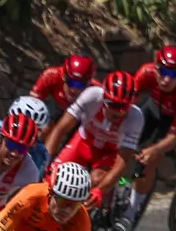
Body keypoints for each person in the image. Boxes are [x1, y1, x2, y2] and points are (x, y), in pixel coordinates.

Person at [43, 70, 144, 214]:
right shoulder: (91, 96)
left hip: (109, 153)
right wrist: (45, 162)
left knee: (94, 182)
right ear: (103, 98)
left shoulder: (136, 118)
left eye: (123, 107)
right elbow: (60, 129)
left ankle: (77, 221)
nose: (118, 112)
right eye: (113, 104)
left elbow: (122, 161)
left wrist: (100, 190)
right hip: (84, 143)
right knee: (51, 179)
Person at [126, 45, 176, 229]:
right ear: (155, 67)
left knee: (151, 157)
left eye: (173, 74)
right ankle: (122, 182)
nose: (166, 79)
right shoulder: (146, 72)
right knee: (126, 140)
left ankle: (131, 211)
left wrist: (155, 149)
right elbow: (127, 104)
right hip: (154, 107)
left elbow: (173, 137)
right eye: (162, 71)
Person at [28, 54, 96, 126]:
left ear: (88, 83)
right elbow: (32, 104)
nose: (73, 90)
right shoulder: (51, 75)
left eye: (80, 85)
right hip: (59, 108)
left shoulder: (96, 91)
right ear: (64, 77)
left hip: (81, 118)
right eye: (70, 82)